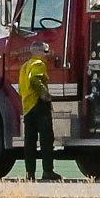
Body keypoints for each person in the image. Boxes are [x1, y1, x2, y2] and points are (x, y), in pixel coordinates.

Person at [16, 51, 58, 181]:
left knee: (30, 142)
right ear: (38, 52)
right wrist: (45, 95)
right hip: (39, 105)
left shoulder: (24, 67)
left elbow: (20, 88)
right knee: (46, 140)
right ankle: (48, 171)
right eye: (46, 51)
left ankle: (30, 173)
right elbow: (35, 79)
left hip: (27, 107)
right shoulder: (39, 63)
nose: (48, 54)